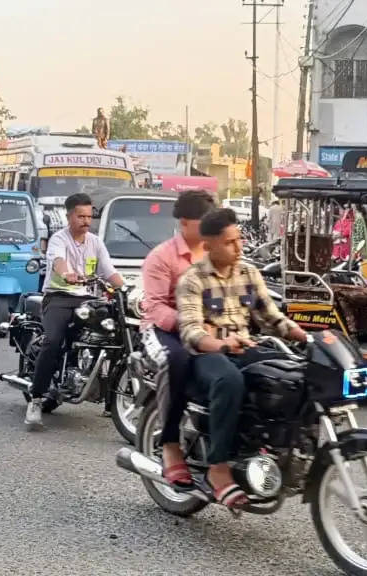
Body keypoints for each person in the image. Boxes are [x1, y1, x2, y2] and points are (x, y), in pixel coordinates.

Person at [176, 208, 306, 509]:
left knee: (292, 375)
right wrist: (221, 343)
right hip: (205, 355)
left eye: (239, 239)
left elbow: (272, 317)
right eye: (230, 242)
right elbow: (192, 331)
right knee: (229, 380)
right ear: (208, 246)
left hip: (246, 347)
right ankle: (218, 469)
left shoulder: (249, 273)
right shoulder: (193, 279)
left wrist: (307, 337)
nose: (239, 247)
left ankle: (274, 447)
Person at [27, 193, 124, 428]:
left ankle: (109, 396)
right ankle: (36, 399)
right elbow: (58, 261)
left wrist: (127, 289)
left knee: (115, 334)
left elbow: (109, 272)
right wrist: (67, 273)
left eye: (89, 216)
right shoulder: (58, 240)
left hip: (87, 300)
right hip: (59, 298)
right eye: (81, 216)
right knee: (53, 340)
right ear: (69, 216)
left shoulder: (95, 242)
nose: (86, 221)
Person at [139, 190, 215, 490]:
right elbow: (155, 307)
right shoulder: (161, 256)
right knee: (177, 360)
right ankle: (170, 443)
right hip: (162, 332)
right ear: (185, 223)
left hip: (204, 330)